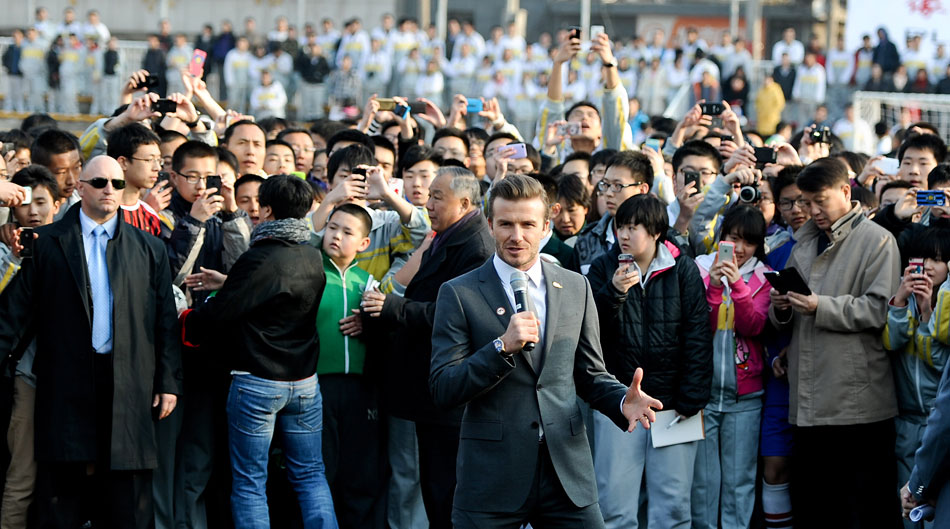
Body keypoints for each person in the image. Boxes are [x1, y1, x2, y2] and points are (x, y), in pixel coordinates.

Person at [426, 174, 663, 528]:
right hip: (492, 476)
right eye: (506, 224)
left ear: (545, 226)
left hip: (566, 472)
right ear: (490, 224)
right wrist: (500, 347)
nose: (516, 236)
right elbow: (443, 387)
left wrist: (619, 401)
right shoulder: (459, 293)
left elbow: (589, 373)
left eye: (527, 224)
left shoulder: (575, 286)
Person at [0, 156, 182, 529]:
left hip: (129, 381)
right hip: (65, 381)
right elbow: (14, 314)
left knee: (126, 498)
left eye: (116, 183)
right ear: (79, 187)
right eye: (99, 182)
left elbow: (164, 320)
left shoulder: (150, 248)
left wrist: (167, 382)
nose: (109, 190)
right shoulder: (47, 242)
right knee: (61, 495)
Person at [179, 175, 337, 529]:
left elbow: (221, 314)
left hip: (257, 382)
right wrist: (231, 282)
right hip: (305, 382)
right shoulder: (312, 255)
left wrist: (185, 316)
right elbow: (276, 292)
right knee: (311, 475)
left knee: (250, 481)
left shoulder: (260, 256)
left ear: (266, 210)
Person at [768, 157, 901, 527]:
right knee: (813, 504)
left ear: (846, 191)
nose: (811, 211)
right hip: (807, 400)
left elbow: (879, 310)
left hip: (856, 403)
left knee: (858, 507)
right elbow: (790, 318)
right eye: (805, 203)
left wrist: (818, 306)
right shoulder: (804, 243)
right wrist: (781, 308)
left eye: (819, 201)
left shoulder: (877, 241)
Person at [360, 167, 493, 529]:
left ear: (465, 203)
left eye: (437, 197)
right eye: (429, 195)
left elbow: (459, 315)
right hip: (426, 384)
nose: (428, 203)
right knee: (433, 486)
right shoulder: (445, 235)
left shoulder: (475, 246)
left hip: (449, 389)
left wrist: (393, 308)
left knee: (445, 487)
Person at [691, 205, 772, 529]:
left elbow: (754, 325)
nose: (738, 249)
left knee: (740, 483)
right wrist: (713, 286)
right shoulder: (699, 268)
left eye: (748, 242)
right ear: (721, 237)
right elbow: (701, 325)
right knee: (703, 484)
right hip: (703, 397)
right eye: (732, 239)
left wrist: (737, 286)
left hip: (746, 398)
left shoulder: (764, 277)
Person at [317, 204, 387, 528]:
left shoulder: (368, 281)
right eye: (332, 227)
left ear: (364, 243)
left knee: (359, 468)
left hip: (361, 388)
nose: (336, 236)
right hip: (317, 385)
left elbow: (387, 329)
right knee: (321, 465)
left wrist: (369, 323)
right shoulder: (310, 270)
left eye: (347, 232)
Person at [0, 166, 63, 529]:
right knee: (21, 476)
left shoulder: (71, 243)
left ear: (58, 204)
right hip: (26, 375)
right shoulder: (7, 250)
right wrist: (13, 257)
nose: (34, 211)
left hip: (68, 377)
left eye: (42, 202)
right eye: (25, 203)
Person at [884, 227, 950, 529]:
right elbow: (892, 342)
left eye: (939, 259)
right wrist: (900, 300)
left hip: (939, 424)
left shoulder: (946, 306)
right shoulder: (905, 297)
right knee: (907, 502)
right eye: (924, 258)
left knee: (936, 502)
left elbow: (938, 364)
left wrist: (927, 315)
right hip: (907, 419)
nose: (931, 266)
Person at [105, 123, 166, 236]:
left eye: (159, 160)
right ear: (123, 162)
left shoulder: (151, 215)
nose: (157, 168)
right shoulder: (100, 211)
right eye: (149, 160)